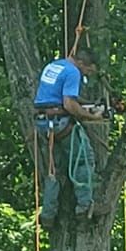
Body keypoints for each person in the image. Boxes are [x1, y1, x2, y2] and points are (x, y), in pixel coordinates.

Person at [34, 47, 107, 224]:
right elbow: (69, 104)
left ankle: (48, 214)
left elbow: (59, 95)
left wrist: (88, 104)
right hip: (61, 124)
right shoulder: (73, 72)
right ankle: (84, 206)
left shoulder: (54, 66)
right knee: (83, 159)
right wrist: (91, 116)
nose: (86, 74)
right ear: (81, 63)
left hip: (44, 122)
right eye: (88, 70)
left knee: (54, 170)